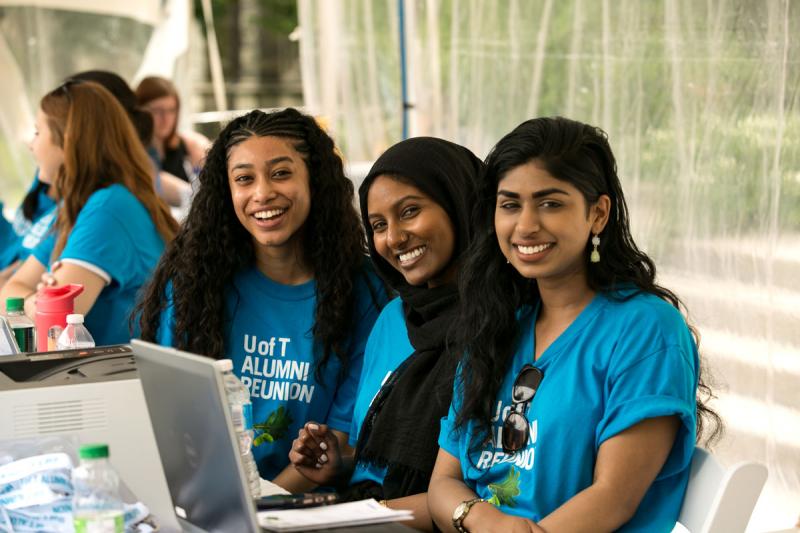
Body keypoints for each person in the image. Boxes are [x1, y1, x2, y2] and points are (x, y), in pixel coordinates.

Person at [427, 117, 721, 532]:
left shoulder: (647, 331)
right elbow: (443, 481)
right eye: (510, 204)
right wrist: (484, 520)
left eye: (551, 203)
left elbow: (613, 498)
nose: (526, 225)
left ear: (598, 213)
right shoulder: (497, 326)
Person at [135, 108, 387, 492]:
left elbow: (337, 440)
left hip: (303, 508)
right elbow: (173, 420)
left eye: (281, 173)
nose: (262, 193)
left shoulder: (363, 292)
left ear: (315, 180)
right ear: (227, 190)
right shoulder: (192, 285)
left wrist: (262, 507)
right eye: (244, 179)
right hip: (205, 496)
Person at [287, 137, 484, 530]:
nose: (393, 238)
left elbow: (490, 485)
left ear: (459, 203)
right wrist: (338, 463)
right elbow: (375, 457)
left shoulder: (502, 320)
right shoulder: (394, 317)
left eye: (409, 212)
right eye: (378, 225)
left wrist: (352, 521)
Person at [0, 80, 179, 346]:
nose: (31, 145)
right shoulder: (79, 208)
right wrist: (35, 300)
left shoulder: (108, 211)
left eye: (38, 133)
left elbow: (51, 328)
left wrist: (36, 301)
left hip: (116, 382)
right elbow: (10, 292)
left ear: (67, 141)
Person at [135, 75, 211, 183]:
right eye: (157, 110)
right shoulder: (132, 152)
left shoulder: (189, 146)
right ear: (139, 110)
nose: (166, 118)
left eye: (171, 110)